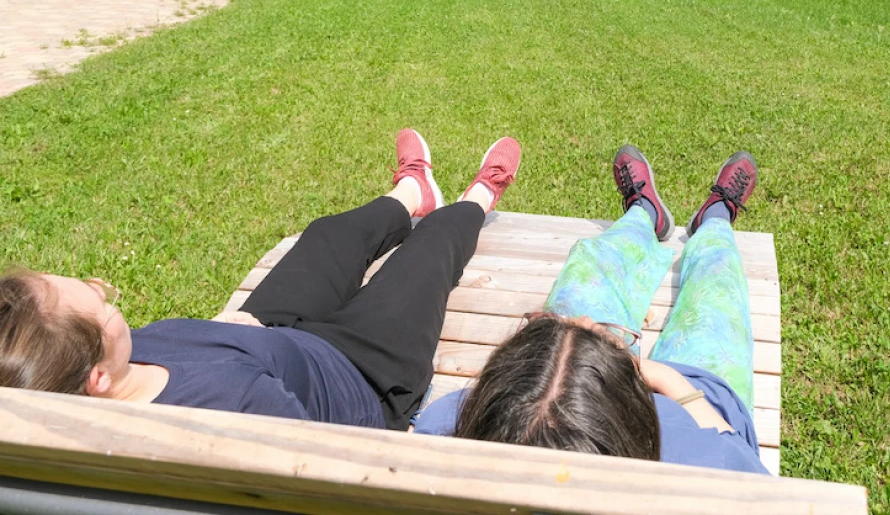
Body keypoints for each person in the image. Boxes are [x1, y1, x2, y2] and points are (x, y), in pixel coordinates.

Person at [0, 131, 520, 432]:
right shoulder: (239, 409)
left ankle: (413, 191)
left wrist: (234, 329)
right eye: (102, 303)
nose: (102, 290)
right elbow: (330, 468)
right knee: (424, 257)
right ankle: (474, 200)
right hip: (360, 373)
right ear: (97, 380)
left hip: (261, 337)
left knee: (328, 236)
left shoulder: (101, 375)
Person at [413, 145, 768, 474]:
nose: (584, 322)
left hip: (573, 385)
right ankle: (716, 219)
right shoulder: (719, 476)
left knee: (589, 268)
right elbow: (733, 446)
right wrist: (661, 378)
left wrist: (544, 373)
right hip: (692, 409)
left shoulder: (443, 443)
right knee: (715, 287)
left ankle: (644, 214)